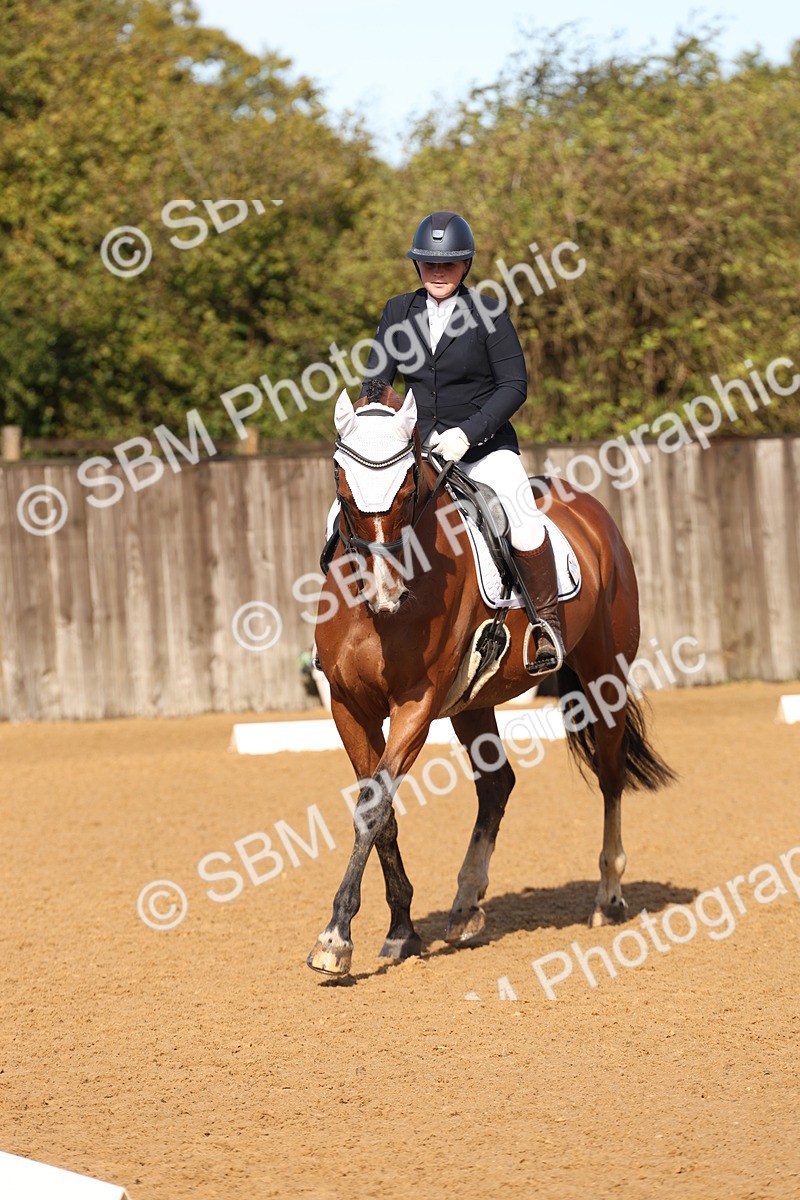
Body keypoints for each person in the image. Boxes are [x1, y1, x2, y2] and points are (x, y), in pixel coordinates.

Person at [357, 209, 565, 674]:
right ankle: (341, 626)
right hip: (418, 452)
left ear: (465, 265)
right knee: (352, 509)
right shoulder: (398, 311)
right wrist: (374, 425)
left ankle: (546, 625)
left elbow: (514, 385)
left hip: (483, 449)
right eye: (429, 263)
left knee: (521, 514)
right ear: (418, 266)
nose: (438, 272)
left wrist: (467, 434)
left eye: (447, 264)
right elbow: (376, 383)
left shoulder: (488, 311)